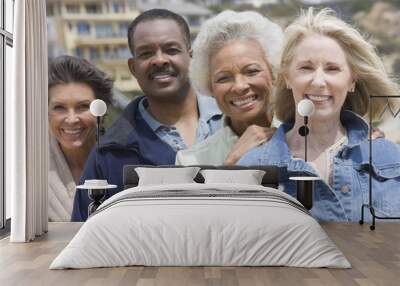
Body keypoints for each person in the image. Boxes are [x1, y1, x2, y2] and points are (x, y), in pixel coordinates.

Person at [238, 8, 400, 222]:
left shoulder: (391, 158)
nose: (318, 81)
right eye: (306, 68)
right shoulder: (252, 167)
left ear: (352, 81)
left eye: (332, 69)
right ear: (287, 77)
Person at [72, 9, 223, 221]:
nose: (159, 60)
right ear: (133, 67)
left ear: (191, 57)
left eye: (171, 49)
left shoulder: (234, 123)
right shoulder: (109, 154)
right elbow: (82, 234)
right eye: (146, 53)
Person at [175, 10, 282, 166]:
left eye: (252, 71)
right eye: (224, 78)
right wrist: (231, 164)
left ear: (274, 72)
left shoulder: (307, 140)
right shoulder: (190, 162)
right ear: (209, 87)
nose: (239, 86)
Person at [48, 55, 113, 221]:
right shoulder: (29, 170)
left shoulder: (120, 160)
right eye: (59, 108)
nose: (71, 119)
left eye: (83, 106)